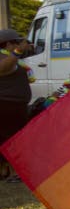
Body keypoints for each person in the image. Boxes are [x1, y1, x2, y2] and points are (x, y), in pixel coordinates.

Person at [0, 29, 34, 182]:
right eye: (16, 42)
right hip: (7, 105)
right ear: (7, 44)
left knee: (14, 139)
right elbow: (3, 68)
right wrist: (18, 51)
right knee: (12, 140)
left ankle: (8, 171)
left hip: (16, 105)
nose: (19, 44)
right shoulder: (4, 58)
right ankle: (14, 173)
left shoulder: (11, 57)